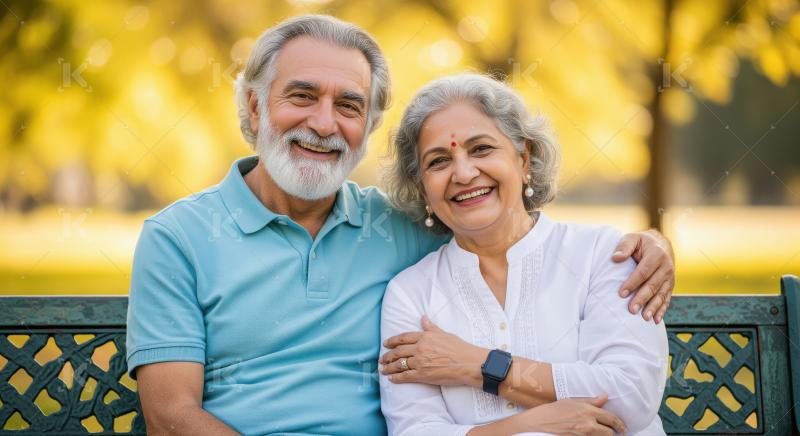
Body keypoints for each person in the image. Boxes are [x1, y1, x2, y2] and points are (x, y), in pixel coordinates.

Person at [126, 15, 675, 435]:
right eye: (301, 95)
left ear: (367, 127)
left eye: (349, 104)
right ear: (252, 107)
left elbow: (498, 221)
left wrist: (652, 245)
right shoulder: (179, 238)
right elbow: (173, 418)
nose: (323, 122)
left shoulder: (401, 227)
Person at [378, 73, 669, 435]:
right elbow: (414, 431)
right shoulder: (411, 293)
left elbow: (630, 399)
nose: (464, 173)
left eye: (481, 148)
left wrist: (477, 366)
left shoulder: (603, 256)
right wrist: (531, 423)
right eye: (438, 161)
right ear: (422, 188)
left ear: (524, 158)